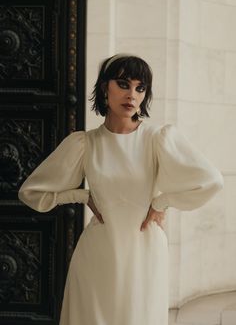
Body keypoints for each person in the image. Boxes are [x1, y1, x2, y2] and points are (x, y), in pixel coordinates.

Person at [18, 54, 224, 325]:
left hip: (144, 251)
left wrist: (161, 203)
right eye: (124, 84)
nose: (132, 95)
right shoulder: (84, 143)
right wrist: (80, 195)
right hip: (98, 253)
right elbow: (31, 192)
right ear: (105, 88)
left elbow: (211, 181)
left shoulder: (156, 138)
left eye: (140, 88)